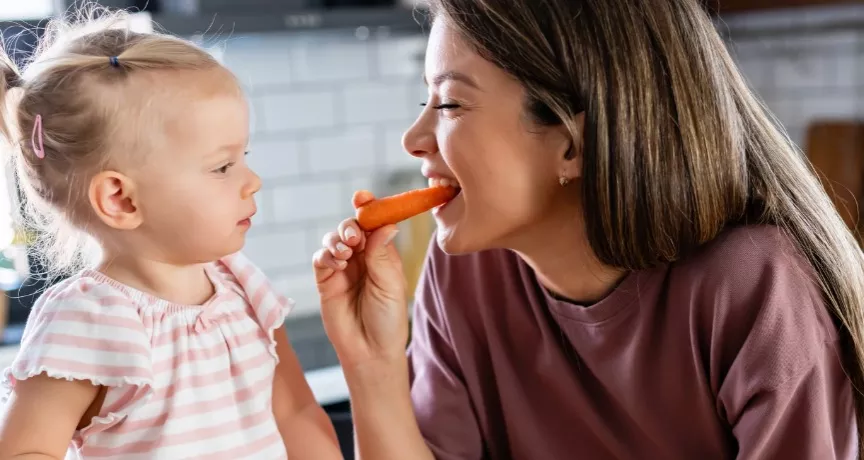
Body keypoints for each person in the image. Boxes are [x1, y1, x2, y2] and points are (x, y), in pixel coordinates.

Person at [313, 0, 864, 458]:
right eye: (425, 100)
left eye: (451, 102)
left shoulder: (753, 287)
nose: (414, 137)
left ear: (573, 143)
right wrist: (372, 365)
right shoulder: (462, 273)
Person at [0, 9, 342, 460]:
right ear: (121, 199)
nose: (252, 180)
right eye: (222, 167)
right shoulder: (85, 319)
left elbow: (296, 413)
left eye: (243, 156)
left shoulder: (243, 286)